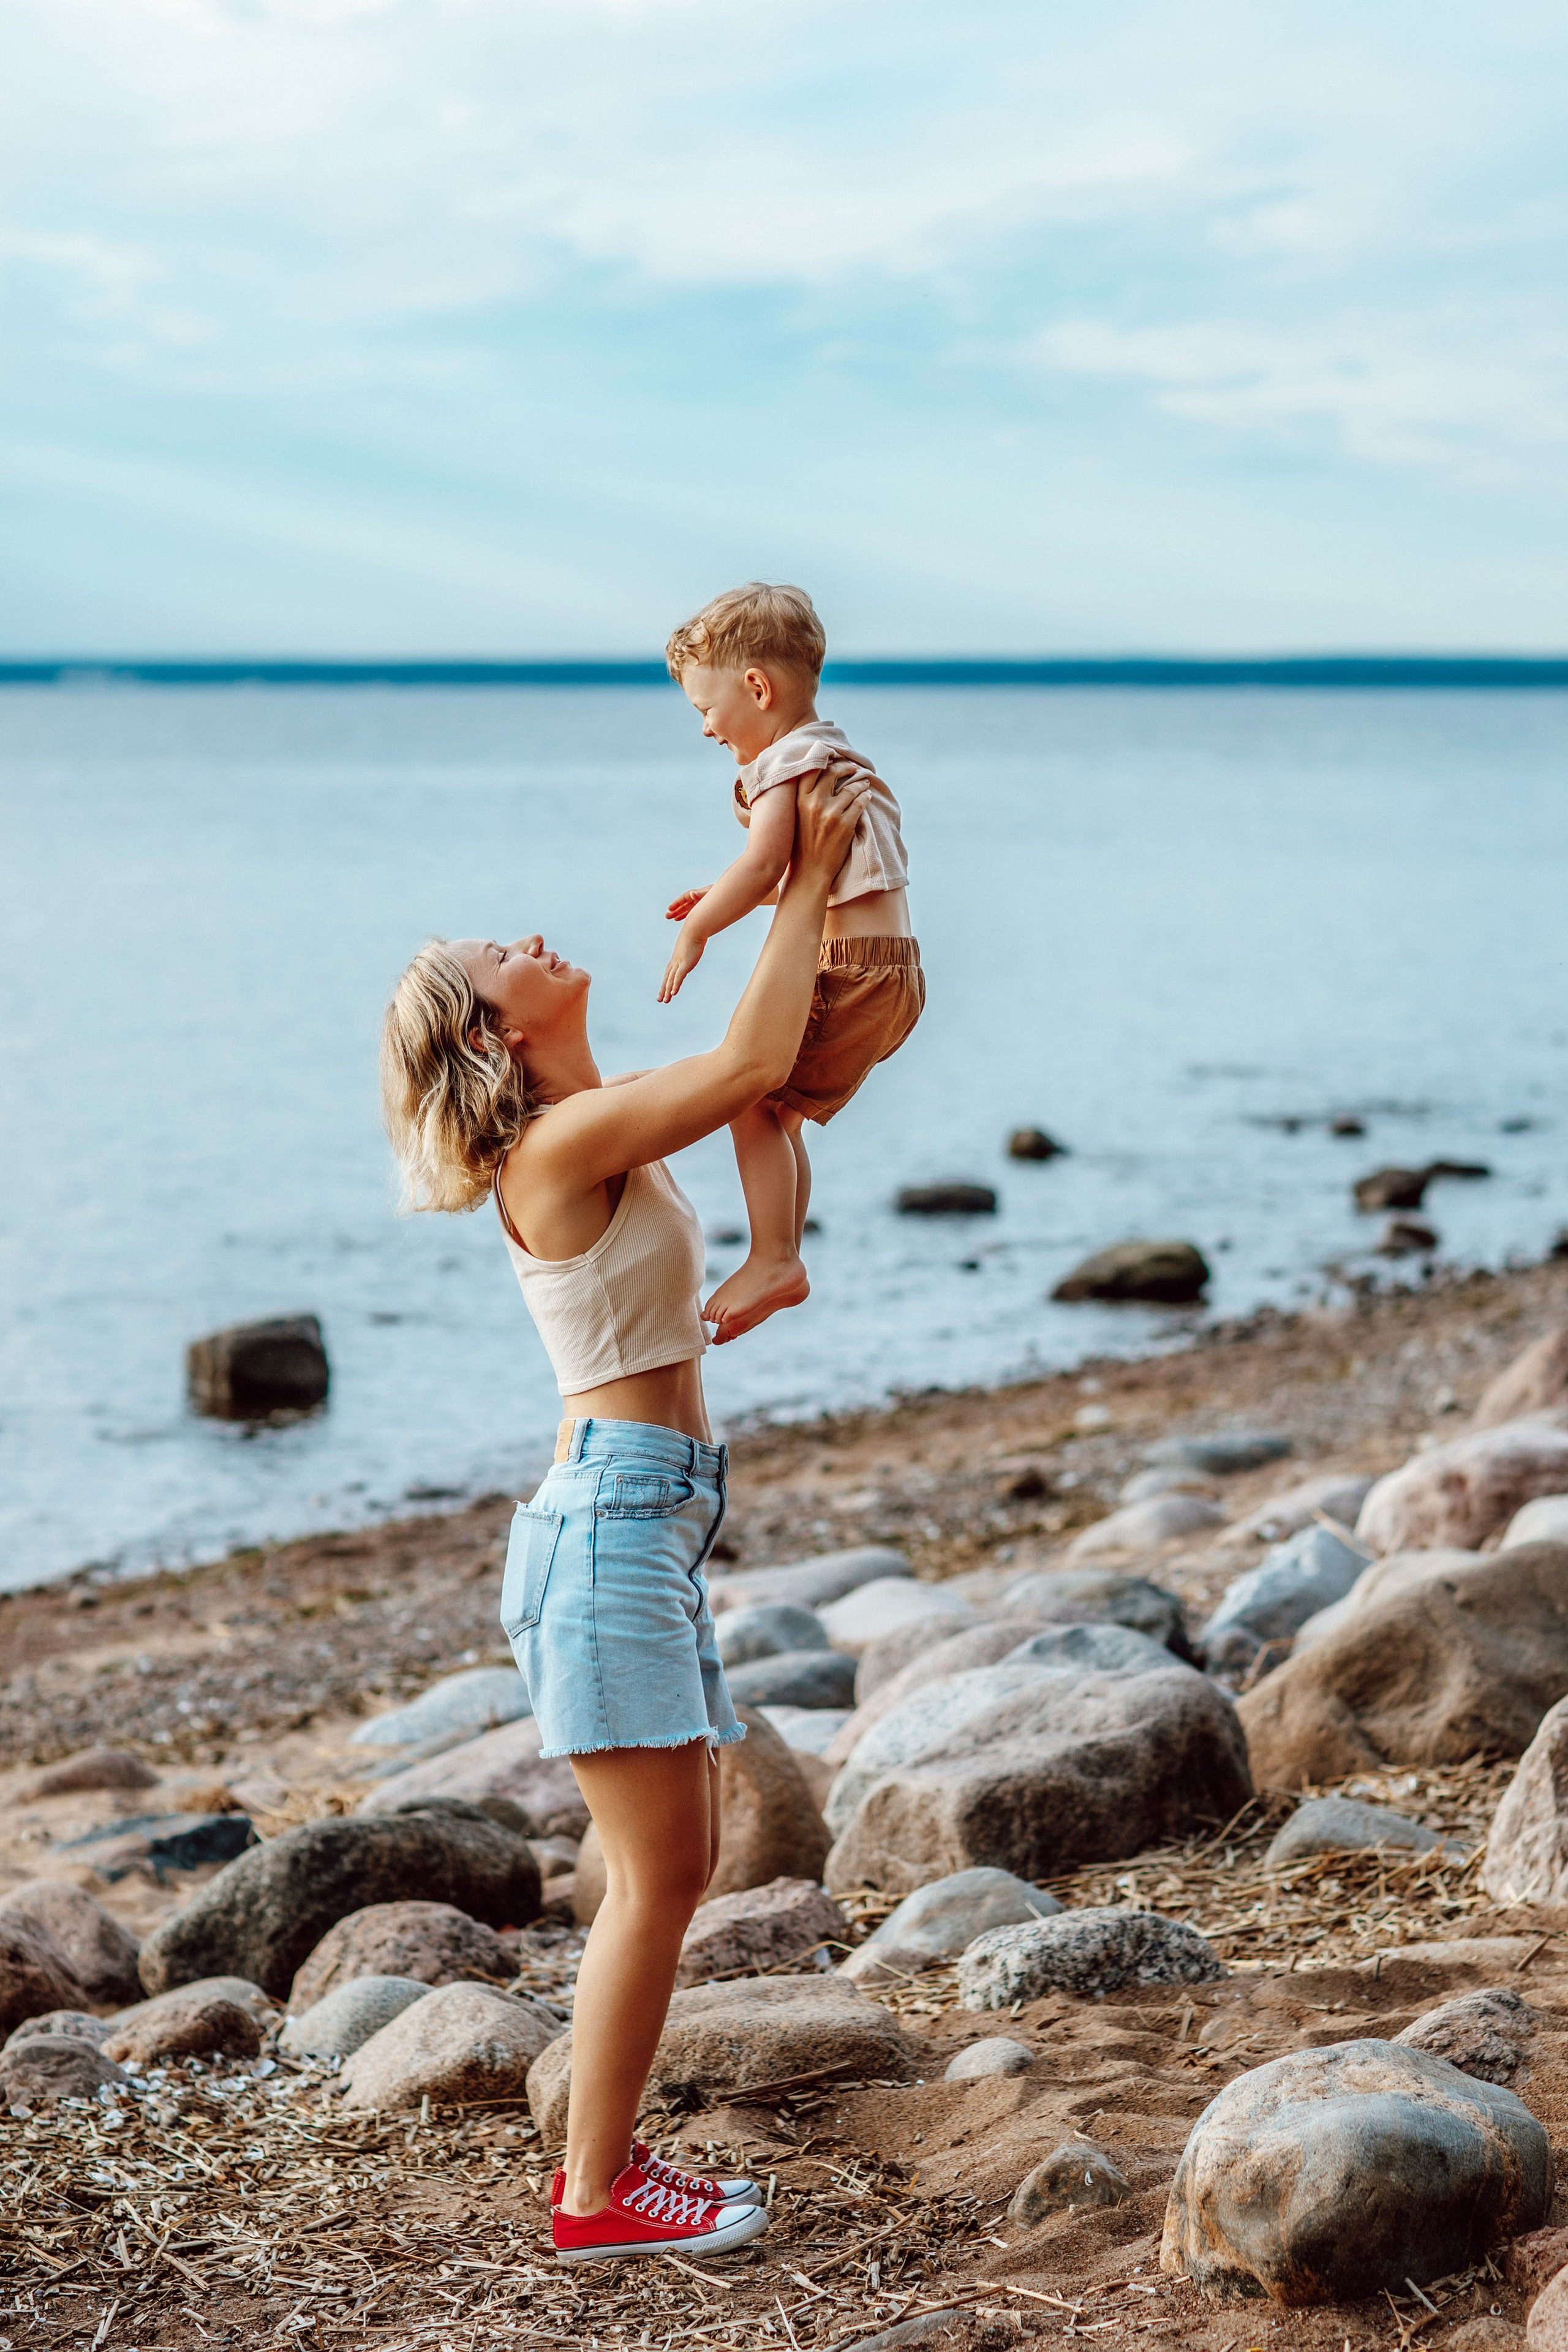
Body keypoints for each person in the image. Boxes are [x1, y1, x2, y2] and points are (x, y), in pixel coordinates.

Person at [379, 766, 872, 2264]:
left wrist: (796, 902)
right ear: (492, 1032)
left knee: (677, 1866)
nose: (528, 936)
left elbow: (756, 1078)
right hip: (605, 1529)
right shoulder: (550, 1152)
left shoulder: (591, 1119)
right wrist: (802, 873)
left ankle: (608, 2172)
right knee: (657, 1879)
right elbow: (747, 1058)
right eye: (500, 955)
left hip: (645, 1521)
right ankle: (593, 2196)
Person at [659, 582, 924, 1343]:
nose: (705, 729)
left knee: (749, 1104)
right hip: (892, 967)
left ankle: (774, 1256)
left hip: (852, 969)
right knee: (781, 1114)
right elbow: (823, 872)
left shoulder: (786, 762)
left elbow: (764, 861)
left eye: (706, 709)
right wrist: (733, 895)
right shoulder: (836, 754)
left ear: (756, 688)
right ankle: (782, 1255)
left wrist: (701, 928)